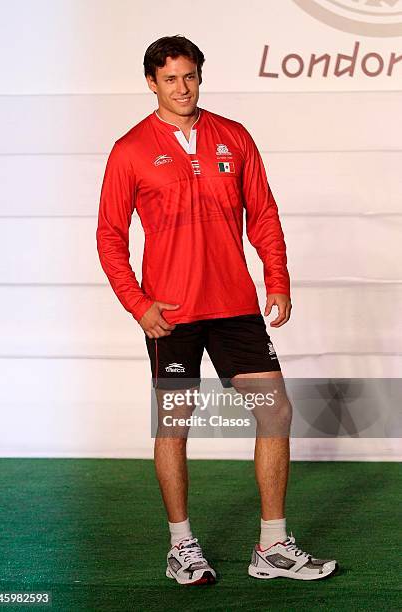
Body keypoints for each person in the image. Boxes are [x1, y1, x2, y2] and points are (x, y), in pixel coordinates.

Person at [96, 34, 339, 585]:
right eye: (170, 79)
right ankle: (182, 545)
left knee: (274, 411)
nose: (182, 88)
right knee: (174, 424)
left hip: (235, 306)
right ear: (151, 83)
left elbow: (265, 213)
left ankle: (272, 546)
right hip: (171, 313)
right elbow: (110, 236)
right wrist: (138, 304)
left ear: (200, 76)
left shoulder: (234, 137)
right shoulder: (129, 149)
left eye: (190, 76)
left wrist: (276, 278)